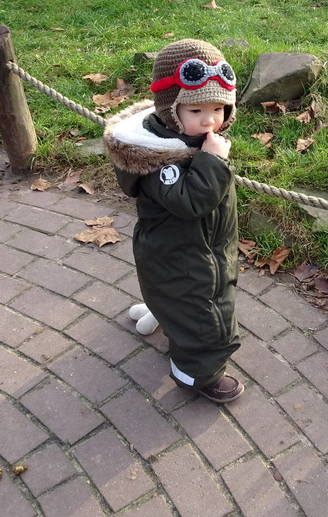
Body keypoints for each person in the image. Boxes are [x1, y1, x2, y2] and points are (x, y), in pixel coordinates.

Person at [103, 39, 244, 403]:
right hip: (184, 258)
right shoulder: (163, 160)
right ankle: (197, 375)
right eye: (196, 110)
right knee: (205, 317)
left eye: (219, 108)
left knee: (176, 297)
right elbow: (190, 202)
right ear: (170, 111)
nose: (210, 120)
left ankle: (160, 312)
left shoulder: (185, 140)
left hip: (186, 249)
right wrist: (212, 163)